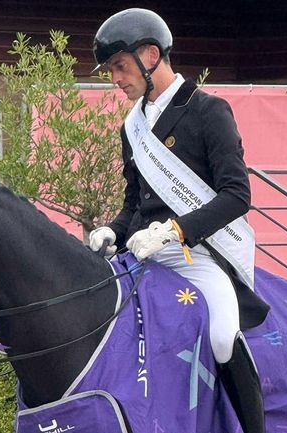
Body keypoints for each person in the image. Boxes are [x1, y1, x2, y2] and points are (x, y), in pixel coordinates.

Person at [88, 9, 268, 433]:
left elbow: (237, 195)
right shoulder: (132, 127)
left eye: (120, 66)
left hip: (197, 256)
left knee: (222, 335)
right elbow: (135, 203)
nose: (115, 78)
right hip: (141, 254)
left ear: (151, 56)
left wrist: (176, 230)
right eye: (111, 69)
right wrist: (113, 229)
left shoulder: (208, 111)